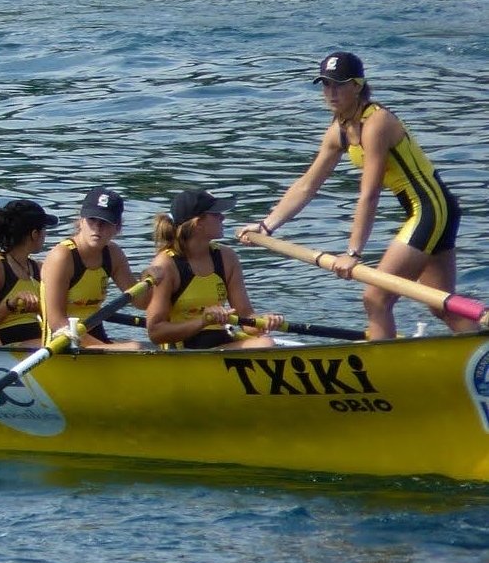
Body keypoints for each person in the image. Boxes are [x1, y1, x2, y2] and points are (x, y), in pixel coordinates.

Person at [239, 52, 476, 339]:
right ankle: (478, 356)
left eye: (339, 85)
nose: (331, 93)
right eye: (325, 85)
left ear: (358, 85)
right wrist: (266, 225)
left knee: (375, 299)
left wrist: (353, 253)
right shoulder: (338, 131)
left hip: (430, 209)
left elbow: (370, 193)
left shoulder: (377, 123)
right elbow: (307, 185)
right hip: (433, 211)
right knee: (441, 304)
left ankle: (386, 374)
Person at [146, 189, 280, 349]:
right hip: (182, 349)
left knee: (266, 342)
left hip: (219, 341)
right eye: (216, 214)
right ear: (198, 223)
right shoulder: (166, 265)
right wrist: (203, 321)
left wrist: (264, 322)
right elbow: (155, 333)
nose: (223, 217)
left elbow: (246, 319)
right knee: (265, 345)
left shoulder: (227, 257)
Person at [40, 188, 147, 346]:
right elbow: (56, 322)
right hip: (61, 340)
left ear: (117, 227)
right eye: (92, 220)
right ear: (81, 221)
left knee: (137, 347)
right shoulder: (62, 257)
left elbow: (142, 303)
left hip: (94, 334)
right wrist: (109, 349)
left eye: (105, 222)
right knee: (136, 347)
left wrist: (149, 277)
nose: (97, 228)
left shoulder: (113, 254)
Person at [0, 200, 59, 346]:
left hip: (36, 338)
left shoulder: (38, 267)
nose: (45, 234)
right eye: (44, 229)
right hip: (0, 343)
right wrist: (10, 306)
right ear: (34, 234)